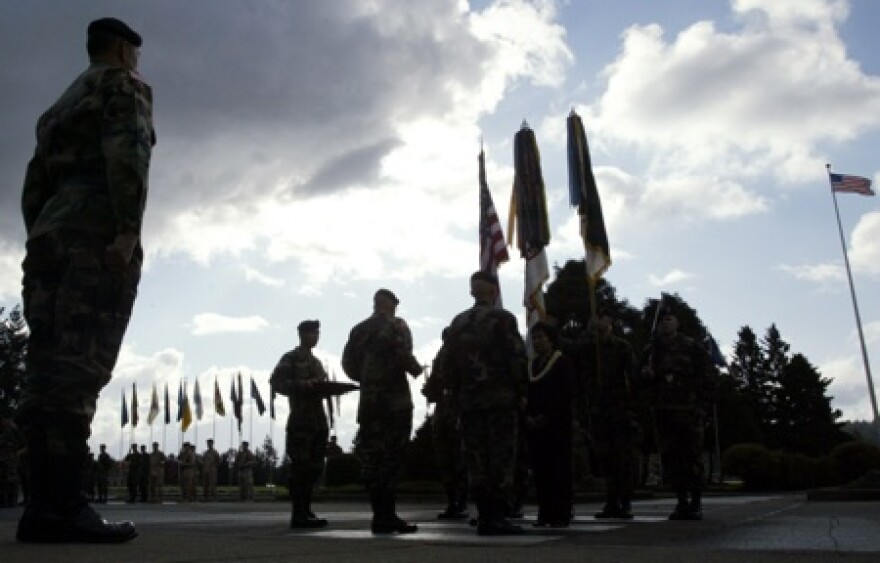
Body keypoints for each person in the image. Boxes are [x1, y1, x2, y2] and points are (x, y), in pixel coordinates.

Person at [15, 16, 154, 543]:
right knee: (79, 370)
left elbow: (34, 186)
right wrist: (124, 231)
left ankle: (41, 508)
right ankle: (66, 510)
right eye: (135, 53)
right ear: (122, 49)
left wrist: (44, 237)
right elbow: (129, 155)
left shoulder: (57, 110)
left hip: (49, 238)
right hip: (94, 234)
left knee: (44, 371)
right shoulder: (124, 87)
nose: (138, 62)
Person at [440, 271, 528, 536]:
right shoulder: (502, 319)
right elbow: (516, 358)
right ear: (494, 290)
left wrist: (456, 395)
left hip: (469, 402)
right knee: (500, 457)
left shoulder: (458, 322)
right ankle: (497, 517)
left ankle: (484, 514)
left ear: (472, 291)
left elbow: (447, 365)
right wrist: (522, 391)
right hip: (499, 400)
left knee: (476, 459)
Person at [342, 289, 422, 534]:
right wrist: (417, 371)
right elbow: (403, 355)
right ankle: (389, 516)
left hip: (369, 403)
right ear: (392, 304)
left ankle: (380, 516)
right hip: (394, 401)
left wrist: (368, 377)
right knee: (392, 459)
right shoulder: (397, 325)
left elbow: (348, 364)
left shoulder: (358, 330)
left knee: (374, 461)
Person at [642, 304, 714, 520]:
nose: (665, 323)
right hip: (664, 412)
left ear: (677, 323)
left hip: (689, 411)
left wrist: (702, 406)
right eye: (662, 320)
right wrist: (646, 375)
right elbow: (642, 381)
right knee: (671, 459)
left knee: (692, 457)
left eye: (670, 319)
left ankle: (696, 502)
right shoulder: (652, 350)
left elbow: (708, 377)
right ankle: (681, 501)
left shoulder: (691, 346)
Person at [576, 308, 641, 519]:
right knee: (605, 460)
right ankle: (611, 501)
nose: (597, 321)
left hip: (620, 411)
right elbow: (574, 353)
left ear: (610, 321)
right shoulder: (588, 349)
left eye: (601, 317)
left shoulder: (622, 347)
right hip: (598, 411)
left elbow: (634, 378)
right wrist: (588, 333)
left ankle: (625, 502)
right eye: (593, 318)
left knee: (623, 459)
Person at [270, 319, 331, 528]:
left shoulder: (316, 362)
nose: (316, 337)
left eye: (318, 333)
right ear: (302, 335)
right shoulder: (291, 358)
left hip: (318, 421)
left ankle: (307, 510)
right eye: (313, 333)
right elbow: (276, 382)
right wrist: (302, 385)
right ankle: (298, 514)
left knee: (315, 468)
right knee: (301, 469)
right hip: (301, 421)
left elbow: (321, 385)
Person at [526, 321, 575, 527]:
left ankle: (561, 512)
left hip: (557, 425)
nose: (537, 342)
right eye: (534, 338)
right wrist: (528, 416)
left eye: (541, 337)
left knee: (559, 470)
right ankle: (544, 512)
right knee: (541, 471)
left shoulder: (562, 362)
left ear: (551, 339)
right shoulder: (531, 365)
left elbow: (566, 394)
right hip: (535, 427)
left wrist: (547, 415)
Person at [421, 332, 468, 520]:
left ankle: (461, 502)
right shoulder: (440, 357)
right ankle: (452, 502)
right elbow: (433, 385)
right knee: (445, 458)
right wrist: (430, 390)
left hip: (458, 407)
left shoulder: (463, 356)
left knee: (459, 458)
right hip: (443, 408)